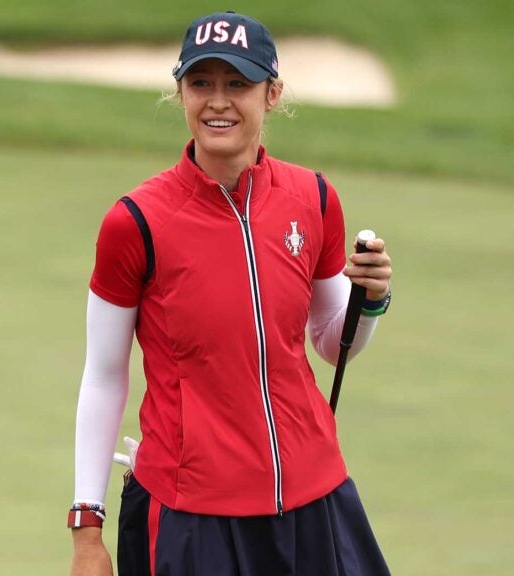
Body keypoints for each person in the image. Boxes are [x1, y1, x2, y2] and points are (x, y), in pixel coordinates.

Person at [68, 12, 393, 576]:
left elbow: (330, 341)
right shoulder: (135, 222)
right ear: (181, 93)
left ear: (272, 94)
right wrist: (86, 528)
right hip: (191, 514)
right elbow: (104, 375)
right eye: (202, 84)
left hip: (312, 496)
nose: (218, 102)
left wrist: (371, 301)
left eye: (237, 84)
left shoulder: (313, 198)